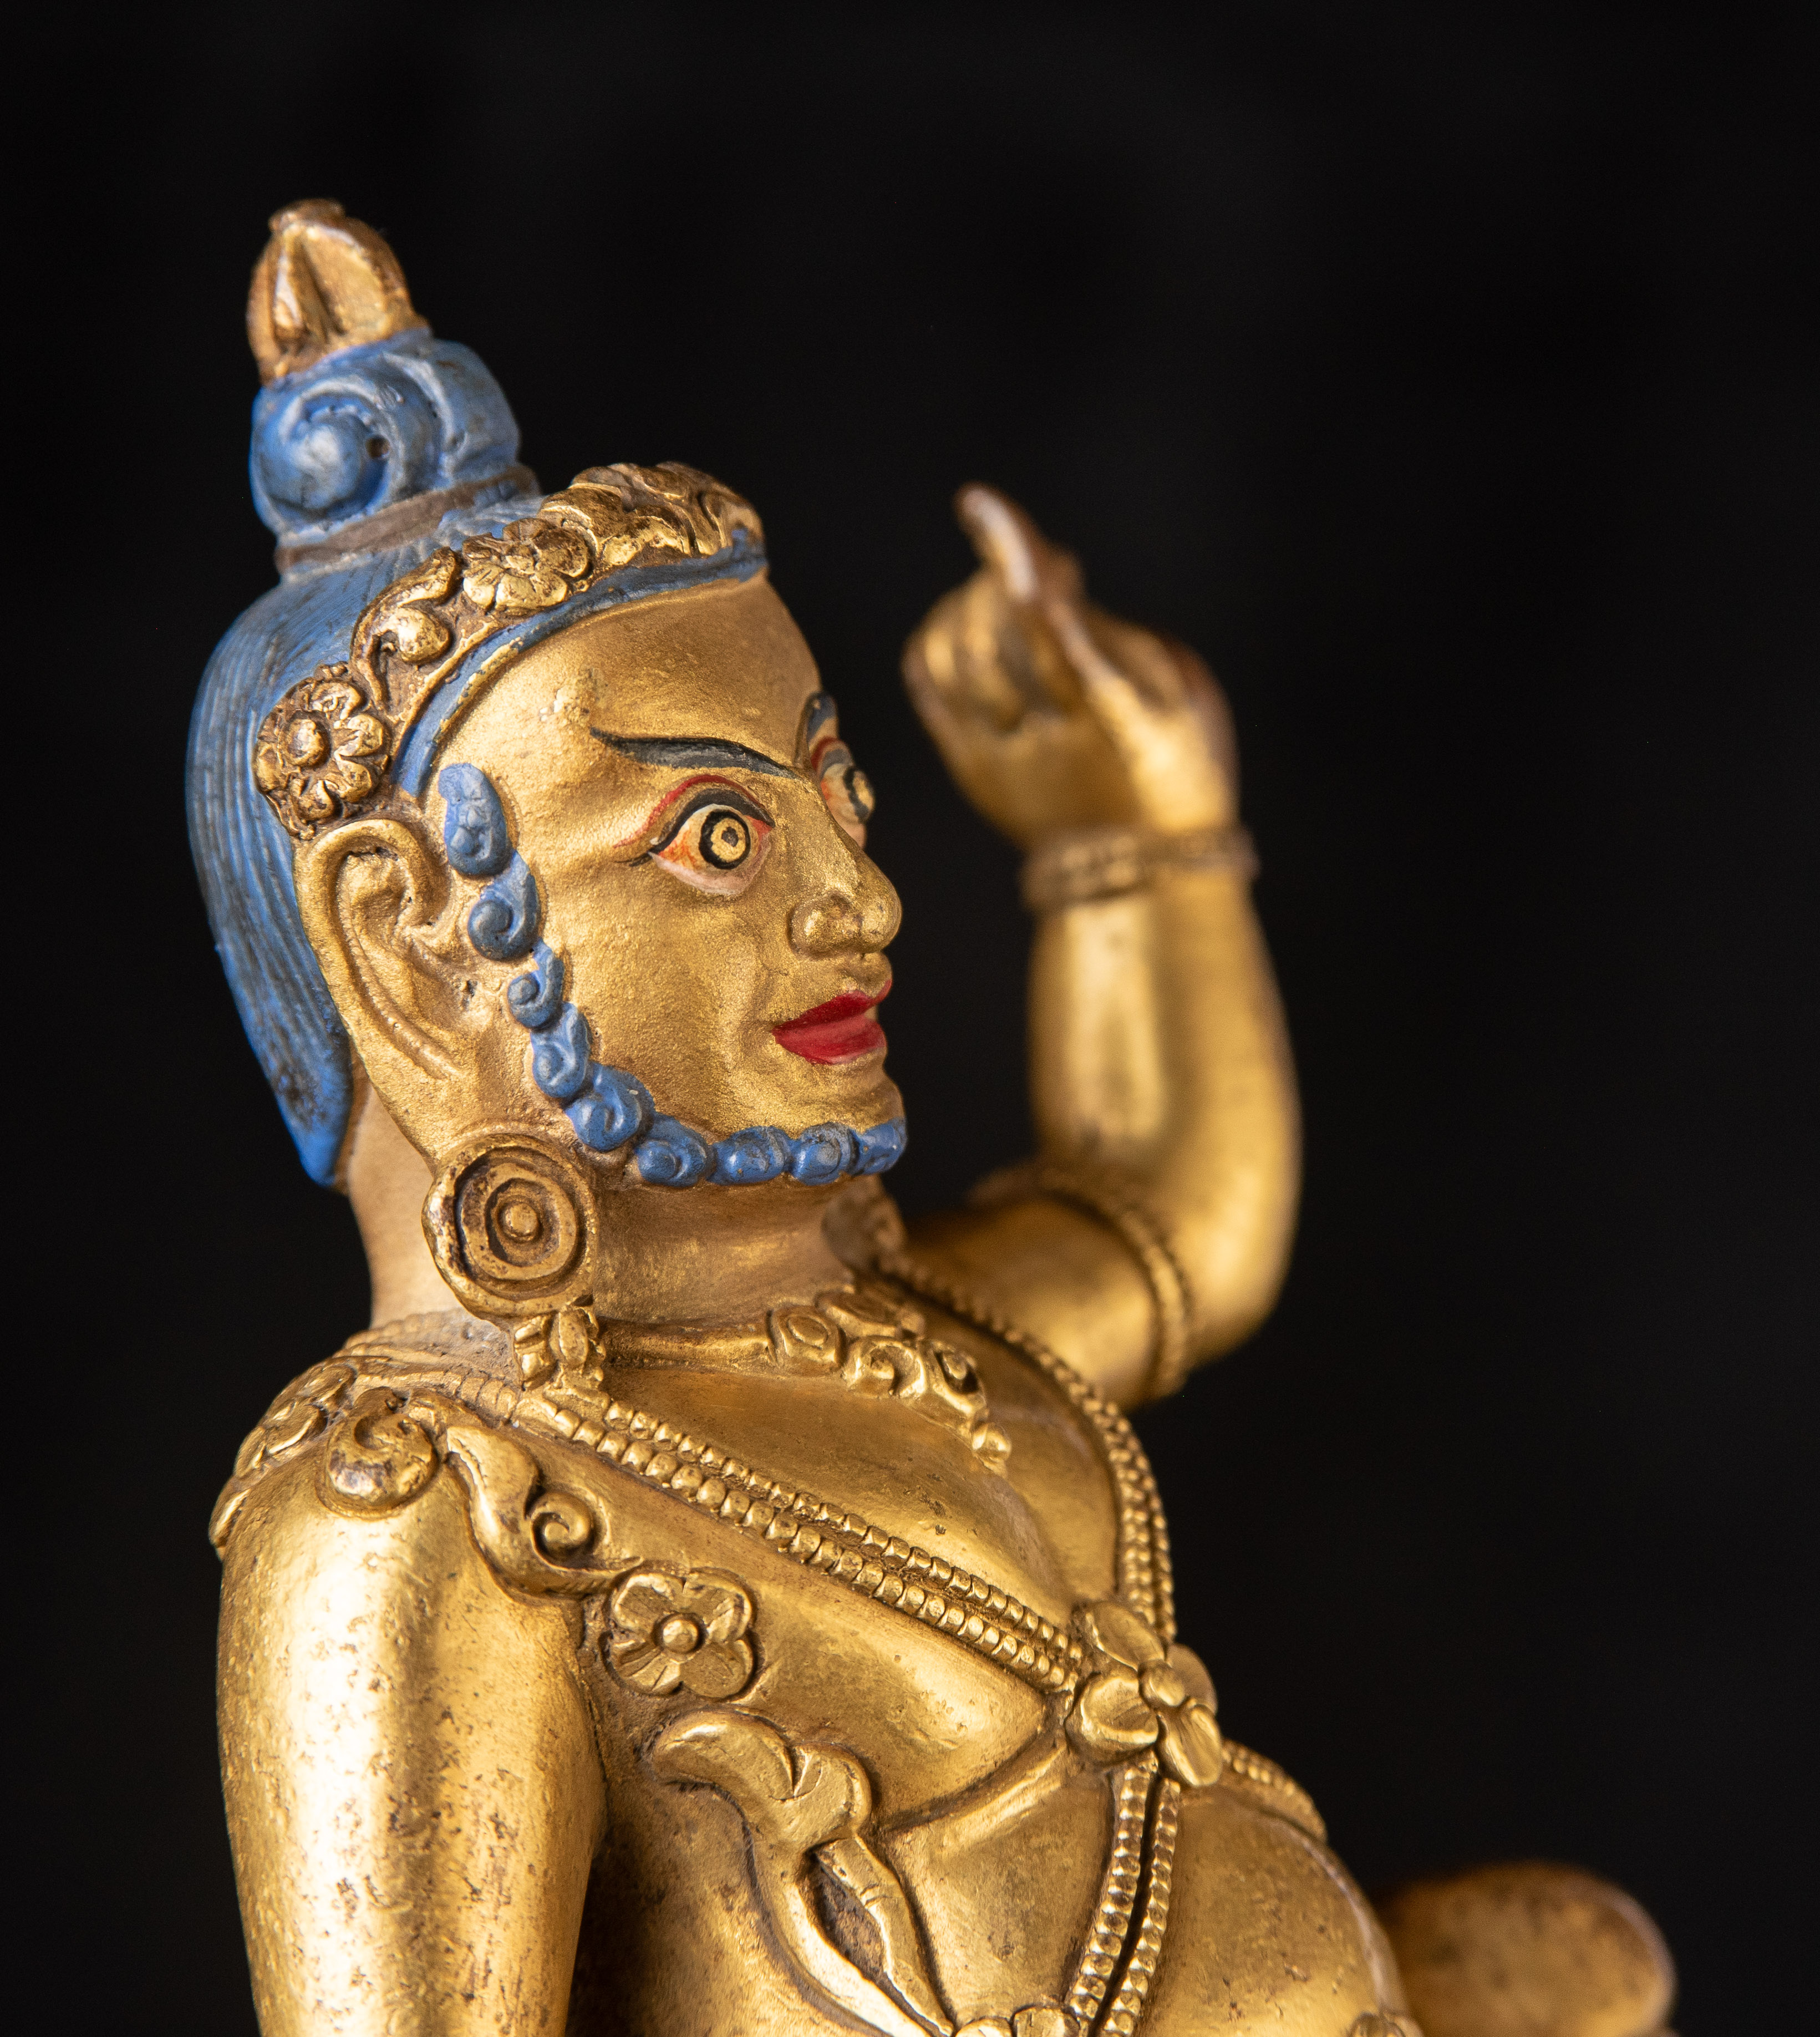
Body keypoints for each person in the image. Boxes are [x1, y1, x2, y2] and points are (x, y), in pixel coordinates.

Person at [192, 203, 1675, 2037]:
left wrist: (1134, 844)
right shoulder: (431, 1514)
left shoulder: (903, 1341)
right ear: (410, 942)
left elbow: (1170, 1223)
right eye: (718, 839)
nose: (863, 901)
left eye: (839, 798)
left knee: (1581, 1956)